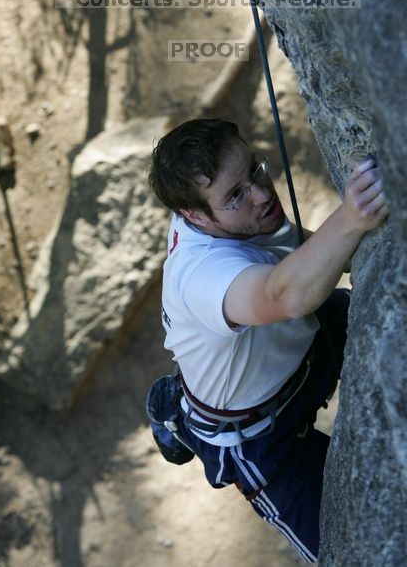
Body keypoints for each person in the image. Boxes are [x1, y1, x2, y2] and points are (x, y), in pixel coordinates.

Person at [148, 118, 388, 563]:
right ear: (195, 216)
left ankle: (179, 406)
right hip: (259, 440)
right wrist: (353, 215)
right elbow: (286, 292)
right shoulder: (200, 276)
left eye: (254, 169)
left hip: (298, 352)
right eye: (236, 195)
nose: (261, 194)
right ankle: (178, 415)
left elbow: (308, 257)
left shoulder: (226, 212)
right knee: (352, 552)